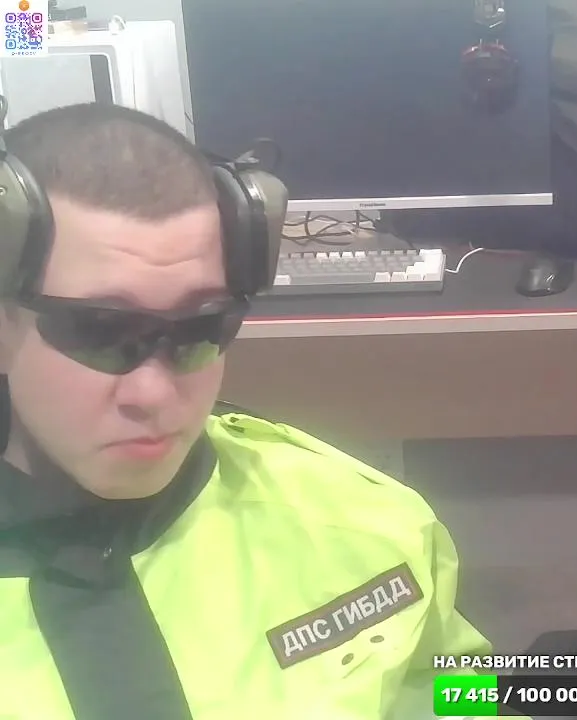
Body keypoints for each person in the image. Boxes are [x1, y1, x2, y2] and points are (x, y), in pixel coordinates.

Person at [0, 102, 490, 719]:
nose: (155, 394)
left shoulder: (368, 525)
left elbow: (467, 701)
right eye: (100, 331)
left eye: (202, 328)